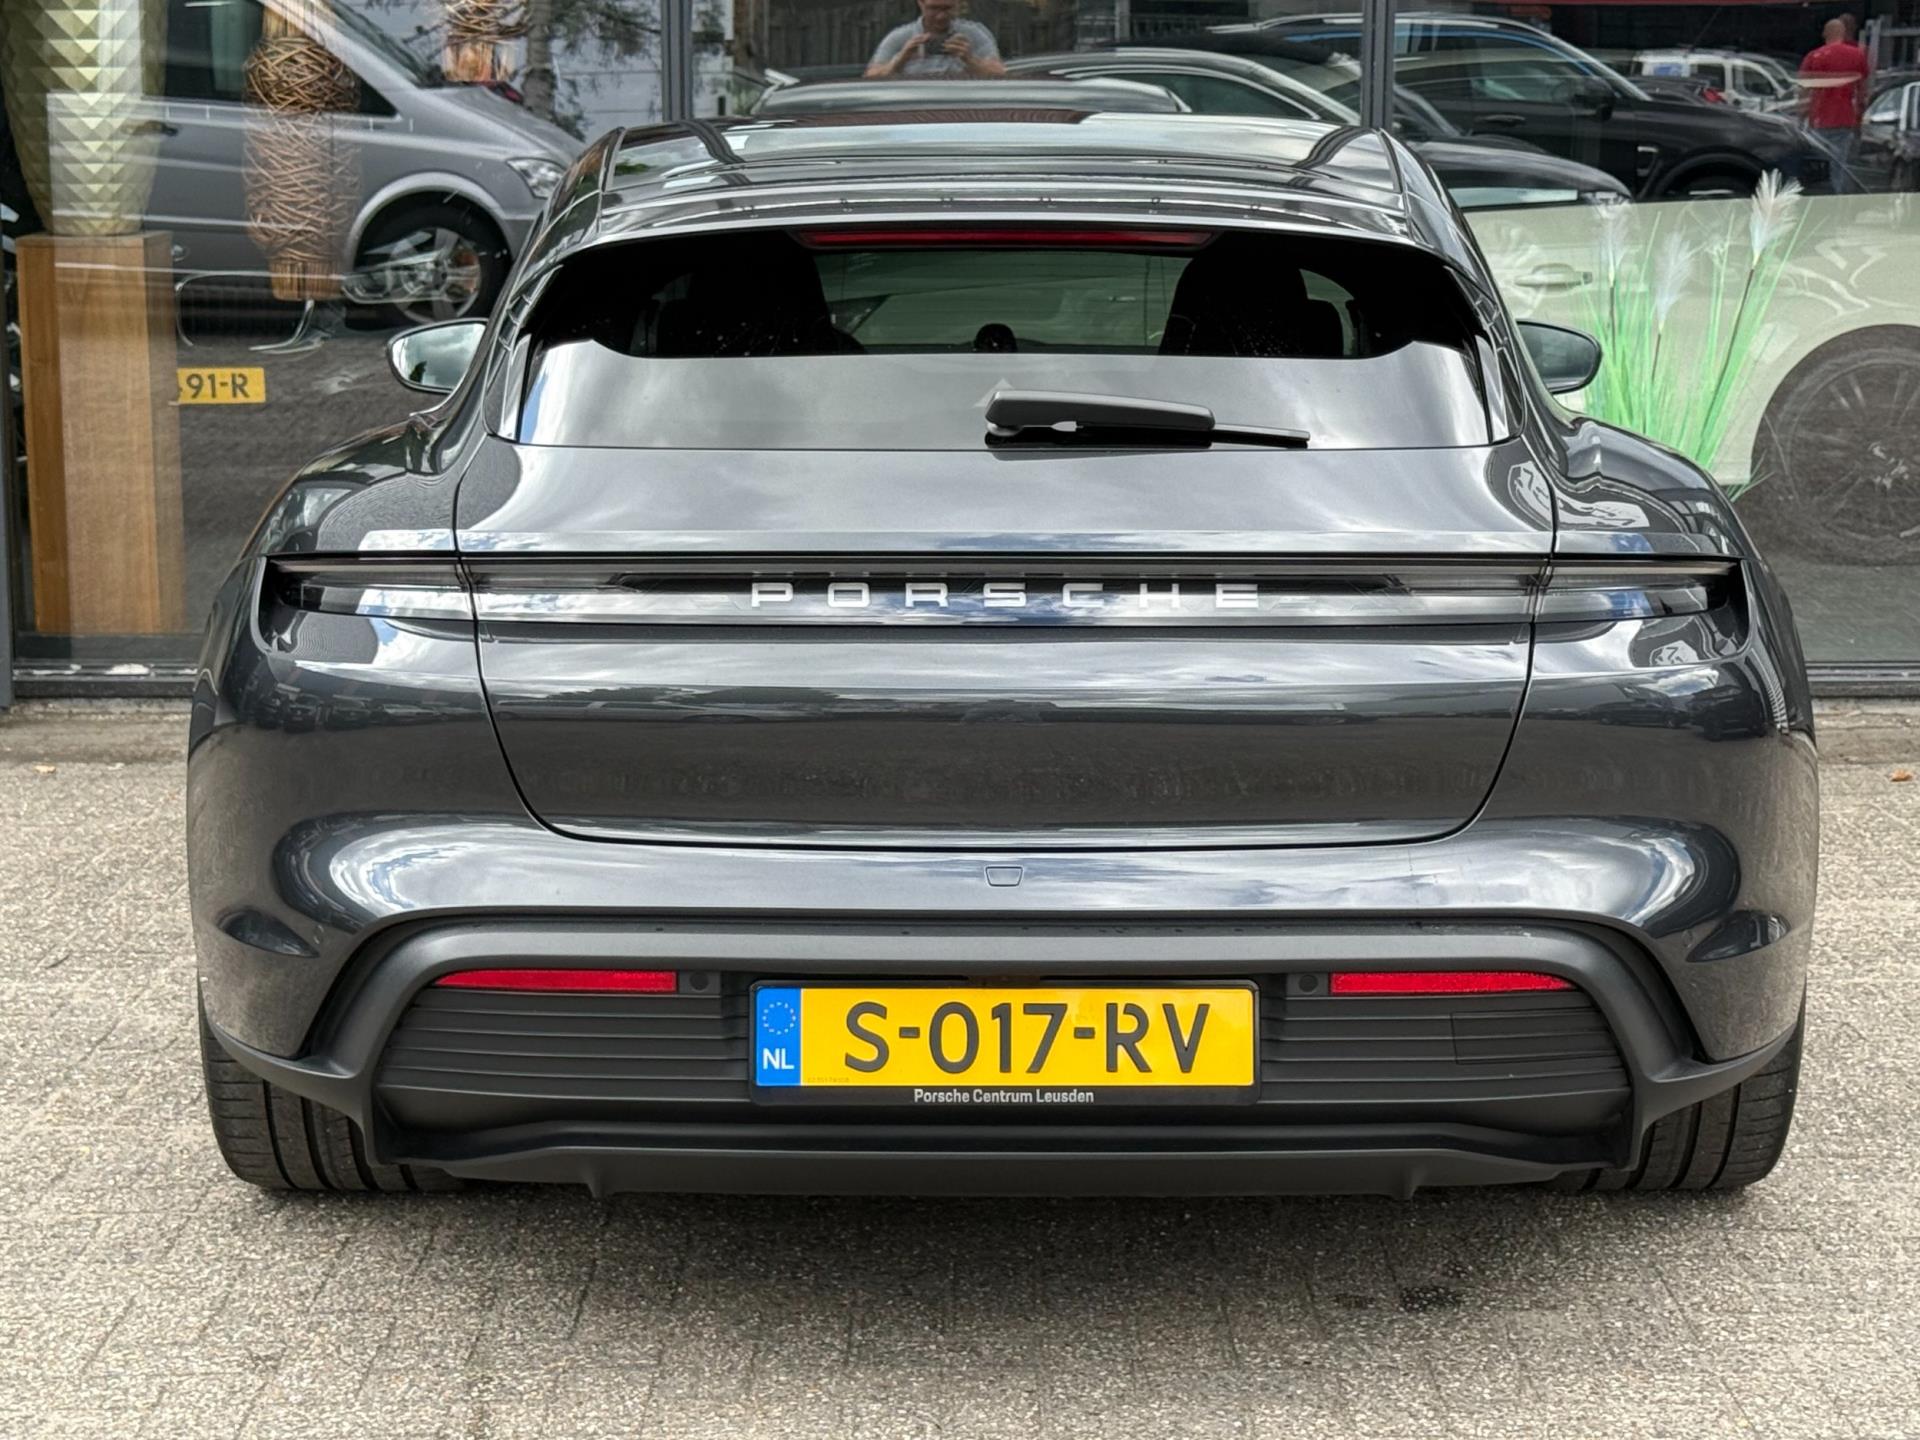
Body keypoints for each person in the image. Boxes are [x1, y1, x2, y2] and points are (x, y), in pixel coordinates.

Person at [1800, 17, 1871, 193]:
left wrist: (1801, 117)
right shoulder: (1857, 55)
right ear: (1843, 33)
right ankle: (1837, 198)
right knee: (1840, 163)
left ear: (1826, 33)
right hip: (1845, 118)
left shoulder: (1815, 56)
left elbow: (1804, 91)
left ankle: (1821, 196)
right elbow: (1862, 91)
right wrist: (1859, 119)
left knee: (1819, 163)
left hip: (1819, 118)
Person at [865, 0, 1005, 79]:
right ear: (921, 3)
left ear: (957, 4)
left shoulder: (974, 34)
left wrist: (969, 59)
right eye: (934, 8)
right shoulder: (900, 37)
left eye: (947, 8)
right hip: (913, 103)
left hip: (961, 102)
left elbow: (999, 75)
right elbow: (870, 77)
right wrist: (901, 59)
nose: (940, 16)